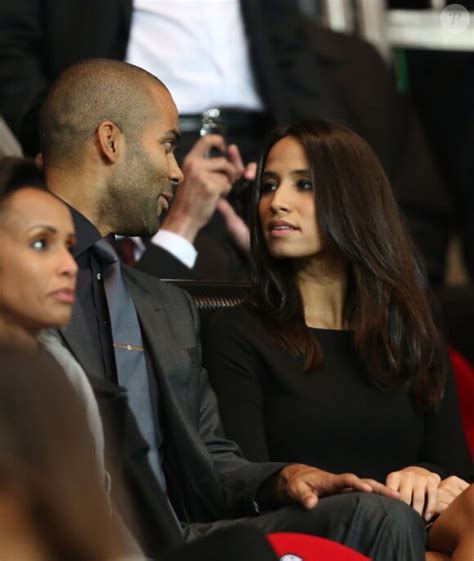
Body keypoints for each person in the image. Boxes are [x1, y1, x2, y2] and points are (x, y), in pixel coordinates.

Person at [36, 58, 430, 560]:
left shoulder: (166, 305)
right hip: (65, 537)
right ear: (110, 142)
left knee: (380, 514)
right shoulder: (15, 276)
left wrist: (285, 477)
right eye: (168, 145)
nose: (178, 171)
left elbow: (212, 462)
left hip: (178, 539)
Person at [0, 0, 452, 284]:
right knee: (168, 310)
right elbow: (11, 46)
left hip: (257, 146)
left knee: (323, 290)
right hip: (132, 143)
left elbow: (290, 55)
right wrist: (59, 138)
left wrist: (321, 157)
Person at [202, 120, 474, 560]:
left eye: (303, 184)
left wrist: (425, 474)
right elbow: (246, 480)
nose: (277, 202)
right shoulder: (237, 331)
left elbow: (455, 468)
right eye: (269, 186)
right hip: (315, 532)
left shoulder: (411, 329)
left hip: (412, 526)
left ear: (354, 201)